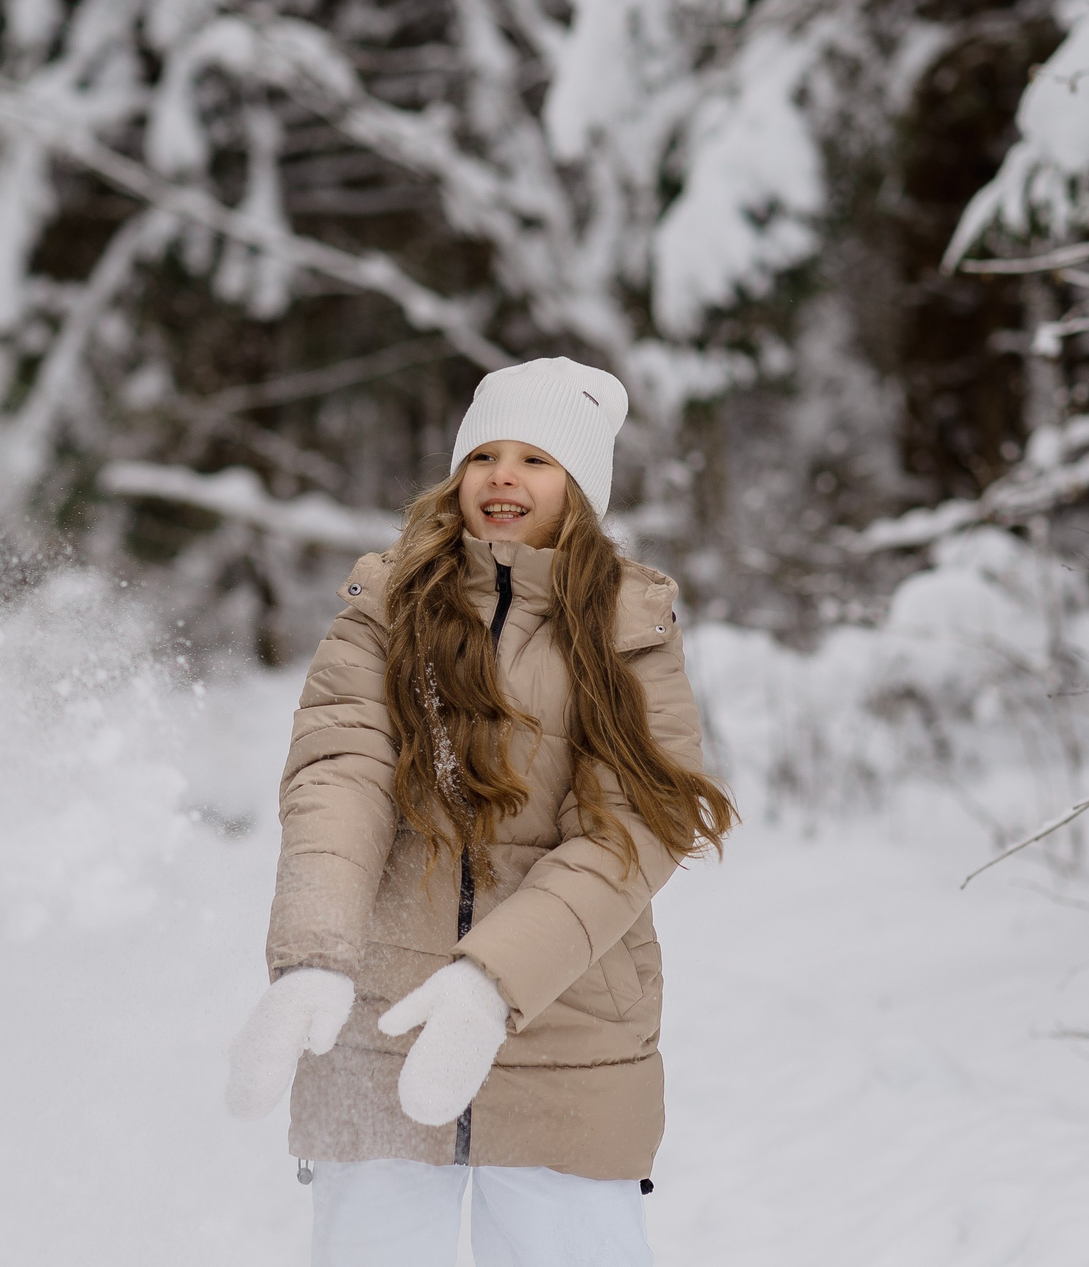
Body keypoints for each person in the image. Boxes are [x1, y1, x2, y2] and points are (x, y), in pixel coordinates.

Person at [226, 357, 735, 1267]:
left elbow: (631, 828)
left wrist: (490, 985)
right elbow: (339, 776)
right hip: (383, 1026)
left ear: (580, 488)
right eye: (485, 455)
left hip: (569, 1037)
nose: (504, 476)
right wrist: (311, 956)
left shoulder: (630, 628)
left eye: (536, 459)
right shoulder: (386, 607)